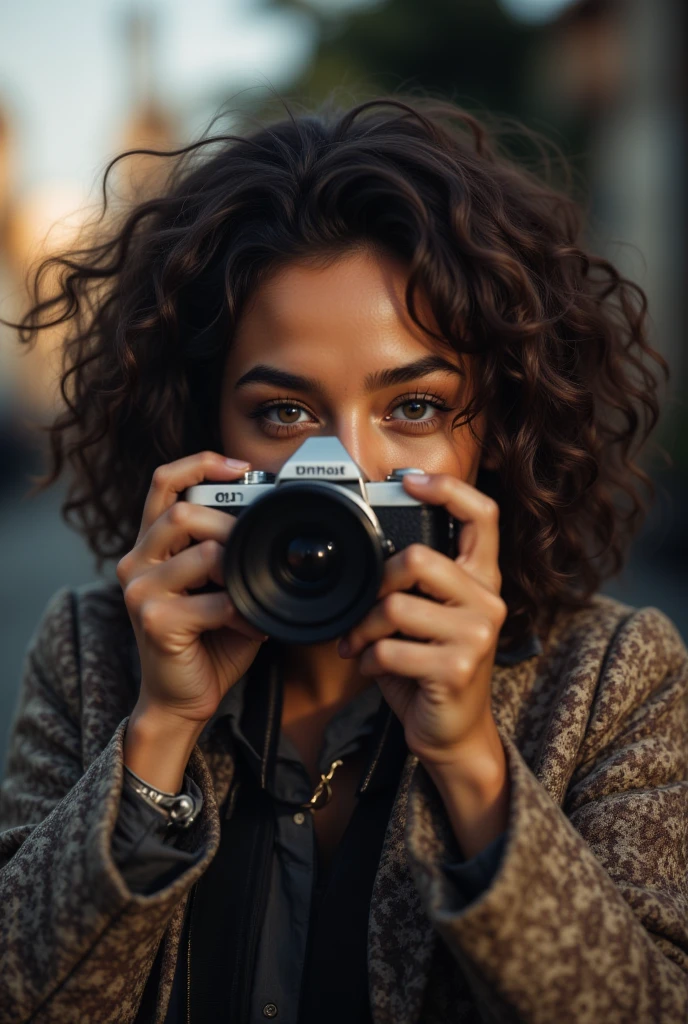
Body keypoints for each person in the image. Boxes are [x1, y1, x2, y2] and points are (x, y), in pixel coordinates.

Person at [0, 95, 686, 1024]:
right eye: (285, 414)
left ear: (497, 429)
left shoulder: (613, 681)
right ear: (203, 436)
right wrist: (160, 733)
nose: (346, 471)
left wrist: (474, 762)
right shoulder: (93, 654)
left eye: (414, 408)